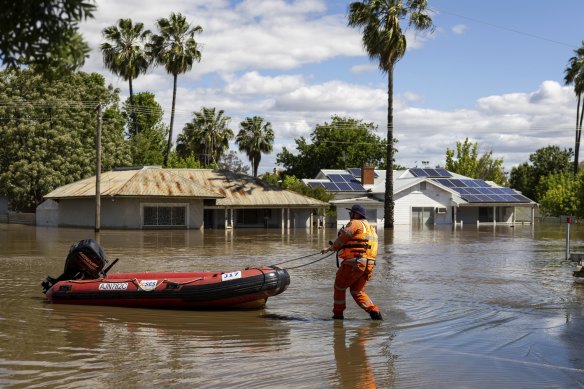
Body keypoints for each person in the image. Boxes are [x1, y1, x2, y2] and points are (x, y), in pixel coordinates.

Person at [322, 204, 383, 320]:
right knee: (357, 291)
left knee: (339, 287)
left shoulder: (355, 223)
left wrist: (330, 248)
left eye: (351, 213)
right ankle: (374, 312)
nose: (350, 215)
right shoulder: (371, 228)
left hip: (354, 263)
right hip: (368, 265)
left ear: (357, 214)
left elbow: (342, 239)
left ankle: (338, 316)